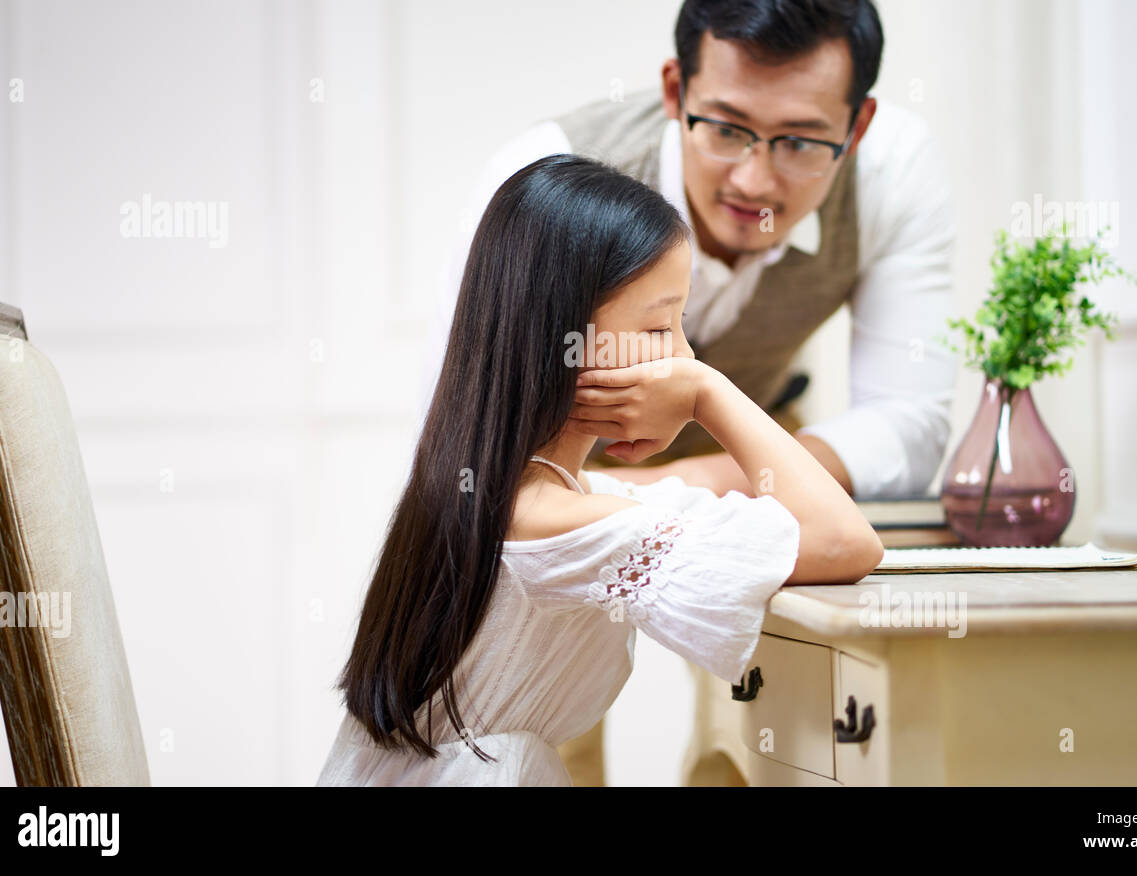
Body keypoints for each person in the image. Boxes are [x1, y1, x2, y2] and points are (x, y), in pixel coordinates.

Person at [430, 0, 959, 783]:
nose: (754, 181)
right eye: (727, 128)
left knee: (762, 717)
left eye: (799, 141)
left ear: (858, 127)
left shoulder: (898, 173)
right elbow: (468, 435)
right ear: (676, 90)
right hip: (560, 469)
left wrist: (682, 468)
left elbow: (910, 420)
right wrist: (602, 489)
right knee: (541, 713)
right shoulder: (543, 181)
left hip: (752, 437)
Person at [316, 155, 883, 786]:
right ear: (565, 338)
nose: (682, 356)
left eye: (683, 327)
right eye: (660, 326)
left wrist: (699, 393)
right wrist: (707, 393)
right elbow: (845, 542)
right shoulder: (555, 522)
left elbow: (715, 493)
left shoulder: (528, 497)